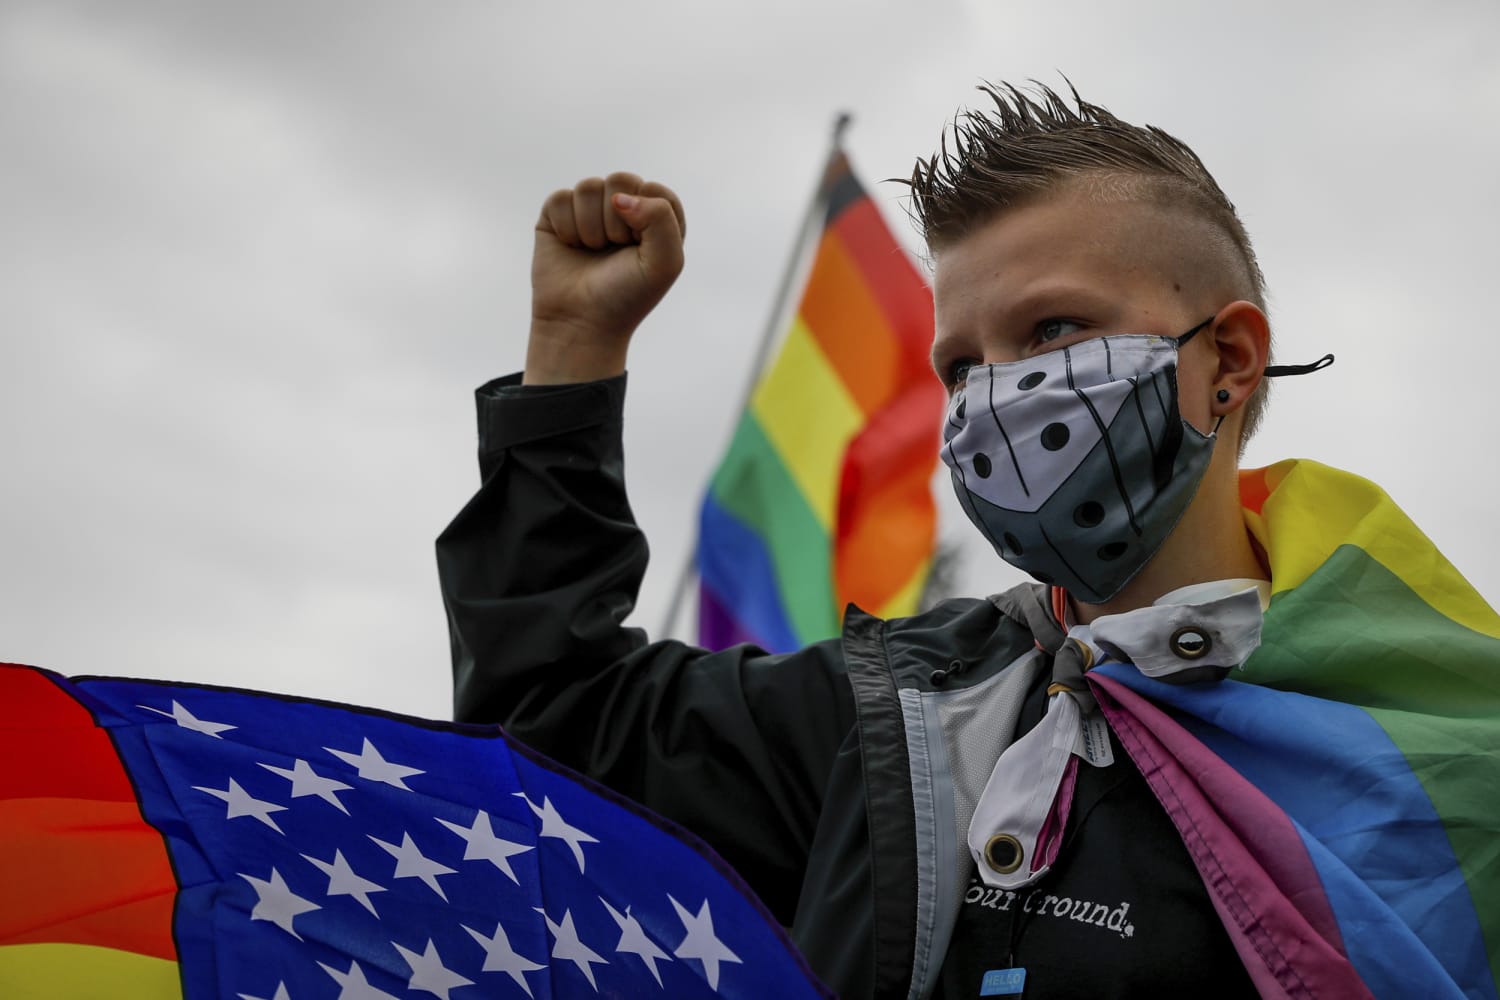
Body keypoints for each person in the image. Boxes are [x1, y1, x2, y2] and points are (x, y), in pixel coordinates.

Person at [437, 84, 1499, 998]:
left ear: (1228, 358)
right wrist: (573, 349)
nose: (996, 395)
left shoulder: (1449, 758)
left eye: (1051, 331)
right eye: (959, 365)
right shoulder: (895, 717)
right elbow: (549, 726)